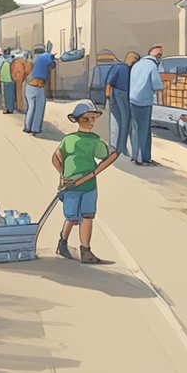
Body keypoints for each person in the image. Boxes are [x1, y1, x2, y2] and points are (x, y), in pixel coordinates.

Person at [52, 102, 119, 265]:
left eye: (93, 118)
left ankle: (85, 250)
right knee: (72, 218)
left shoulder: (95, 141)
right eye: (85, 119)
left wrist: (90, 174)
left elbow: (105, 157)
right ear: (77, 120)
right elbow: (56, 157)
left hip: (88, 185)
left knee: (87, 216)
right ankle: (62, 243)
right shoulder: (69, 140)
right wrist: (63, 176)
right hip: (71, 187)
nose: (90, 122)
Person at [128, 46, 164, 165]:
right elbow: (157, 84)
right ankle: (144, 158)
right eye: (160, 54)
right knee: (144, 130)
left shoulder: (137, 64)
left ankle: (135, 156)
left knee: (135, 129)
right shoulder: (152, 66)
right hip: (144, 101)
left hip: (133, 99)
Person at [106, 51, 138, 157]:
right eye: (135, 59)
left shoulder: (128, 69)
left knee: (124, 123)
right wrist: (108, 96)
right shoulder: (120, 68)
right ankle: (120, 147)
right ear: (131, 59)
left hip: (122, 95)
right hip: (120, 94)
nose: (135, 62)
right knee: (124, 122)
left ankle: (120, 147)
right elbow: (109, 82)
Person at [25, 46, 55, 135]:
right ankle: (36, 128)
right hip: (39, 87)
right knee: (39, 109)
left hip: (29, 86)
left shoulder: (31, 61)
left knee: (30, 107)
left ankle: (27, 127)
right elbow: (52, 63)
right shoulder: (43, 58)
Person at [0, 49, 17, 113]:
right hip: (10, 79)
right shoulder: (12, 60)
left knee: (6, 95)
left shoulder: (3, 60)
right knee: (10, 95)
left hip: (5, 79)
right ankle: (10, 108)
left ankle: (7, 109)